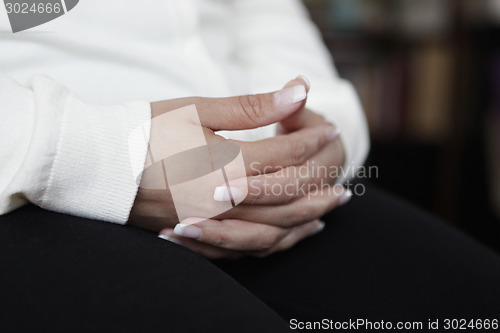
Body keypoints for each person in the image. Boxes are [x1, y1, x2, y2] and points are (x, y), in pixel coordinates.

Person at [0, 1, 499, 332]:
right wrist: (100, 153)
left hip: (266, 183)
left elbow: (270, 20)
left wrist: (325, 136)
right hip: (33, 184)